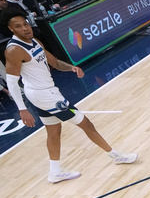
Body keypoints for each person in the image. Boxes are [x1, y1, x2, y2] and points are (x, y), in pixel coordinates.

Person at [3, 10, 137, 183]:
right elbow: (12, 82)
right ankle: (116, 155)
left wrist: (71, 67)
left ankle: (55, 172)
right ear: (11, 29)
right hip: (43, 95)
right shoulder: (14, 50)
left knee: (53, 131)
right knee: (86, 123)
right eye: (18, 27)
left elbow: (55, 63)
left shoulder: (35, 41)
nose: (25, 28)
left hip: (46, 91)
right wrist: (22, 109)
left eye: (25, 24)